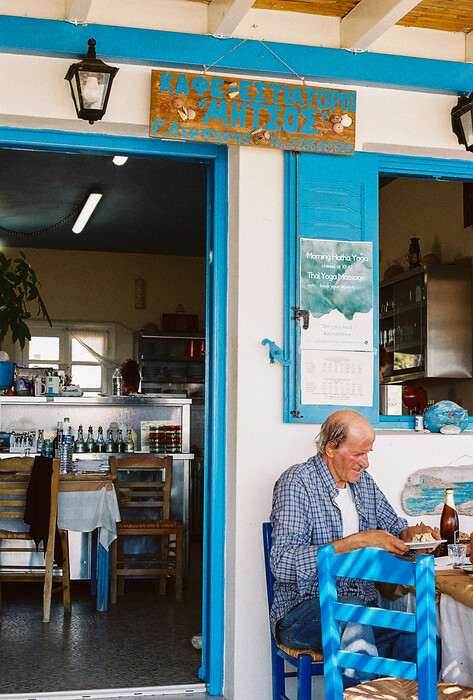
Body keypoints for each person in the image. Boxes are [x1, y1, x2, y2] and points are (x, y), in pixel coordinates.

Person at [270, 408, 440, 689]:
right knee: (351, 611)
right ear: (331, 448)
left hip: (361, 608)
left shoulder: (363, 484)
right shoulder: (297, 482)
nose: (367, 463)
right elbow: (283, 563)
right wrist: (358, 541)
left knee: (420, 633)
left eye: (368, 453)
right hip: (302, 614)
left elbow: (393, 528)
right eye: (359, 454)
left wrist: (411, 533)